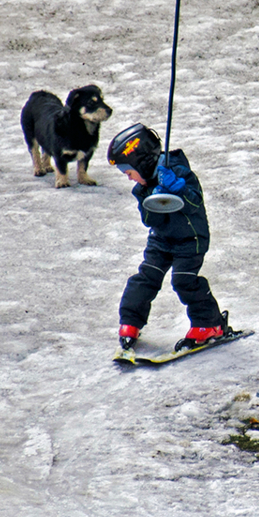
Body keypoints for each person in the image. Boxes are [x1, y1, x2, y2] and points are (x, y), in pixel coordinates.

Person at [107, 123, 231, 352]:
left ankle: (210, 324)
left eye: (129, 172)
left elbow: (195, 204)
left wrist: (178, 189)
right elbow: (149, 221)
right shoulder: (142, 188)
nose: (129, 179)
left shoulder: (178, 172)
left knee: (184, 281)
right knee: (146, 278)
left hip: (190, 239)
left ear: (141, 163)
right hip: (161, 240)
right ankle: (130, 322)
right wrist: (154, 199)